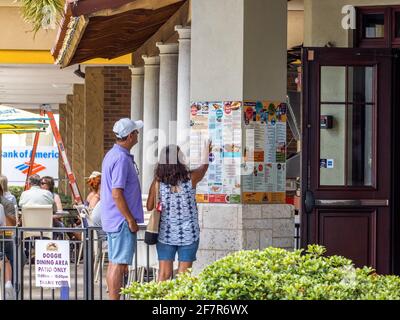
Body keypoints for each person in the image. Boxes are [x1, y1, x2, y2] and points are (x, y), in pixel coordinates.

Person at [147, 142, 211, 281]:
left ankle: (160, 301)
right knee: (184, 276)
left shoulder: (157, 182)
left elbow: (149, 206)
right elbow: (204, 167)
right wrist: (206, 150)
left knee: (163, 274)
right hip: (189, 234)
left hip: (165, 234)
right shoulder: (190, 178)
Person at [101, 118, 144, 300]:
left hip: (113, 219)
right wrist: (130, 219)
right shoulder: (121, 159)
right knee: (117, 264)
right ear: (129, 136)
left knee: (114, 263)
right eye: (136, 132)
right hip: (121, 221)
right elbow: (117, 193)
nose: (138, 135)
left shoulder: (113, 154)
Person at [0, 203, 15, 300]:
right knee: (5, 260)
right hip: (2, 239)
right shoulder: (0, 206)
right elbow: (3, 227)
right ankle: (8, 282)